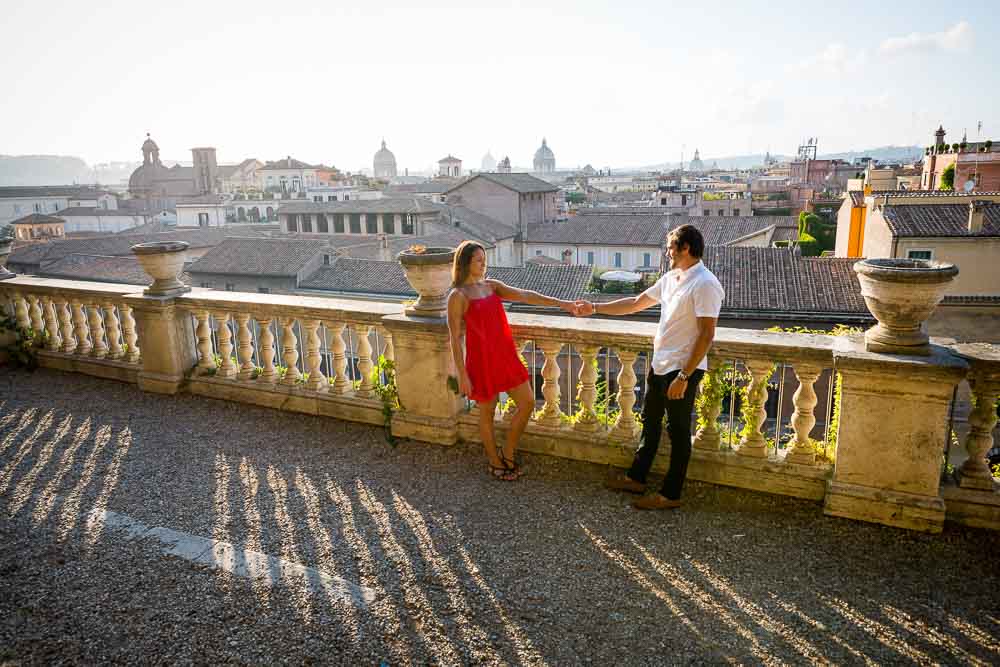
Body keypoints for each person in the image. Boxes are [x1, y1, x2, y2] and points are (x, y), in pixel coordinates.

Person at [579, 225, 724, 510]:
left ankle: (671, 494)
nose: (667, 253)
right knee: (650, 422)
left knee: (679, 431)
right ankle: (637, 478)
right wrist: (594, 308)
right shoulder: (672, 278)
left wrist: (684, 376)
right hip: (660, 364)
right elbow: (635, 303)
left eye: (671, 247)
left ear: (685, 249)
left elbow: (707, 334)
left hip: (683, 369)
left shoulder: (706, 284)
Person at [447, 240, 584, 481]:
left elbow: (526, 295)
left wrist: (562, 304)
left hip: (506, 356)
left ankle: (508, 450)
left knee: (528, 402)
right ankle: (494, 460)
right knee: (486, 413)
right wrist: (463, 375)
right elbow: (454, 339)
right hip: (481, 362)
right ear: (466, 263)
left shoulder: (491, 286)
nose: (484, 263)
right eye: (479, 260)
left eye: (484, 259)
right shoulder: (457, 296)